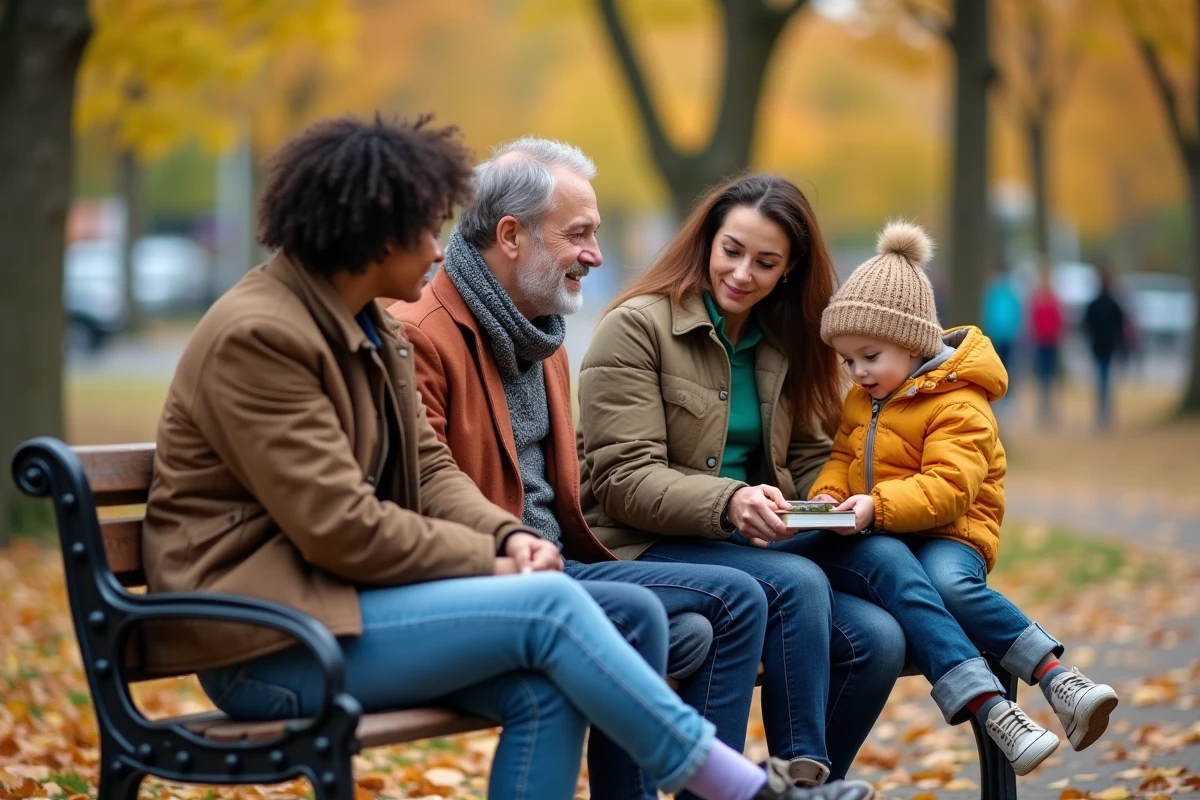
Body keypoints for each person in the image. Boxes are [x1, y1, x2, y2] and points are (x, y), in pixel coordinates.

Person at [139, 114, 873, 800]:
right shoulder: (264, 336)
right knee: (552, 610)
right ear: (372, 234)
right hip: (269, 639)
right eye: (427, 228)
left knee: (553, 677)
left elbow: (429, 469)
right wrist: (491, 561)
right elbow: (339, 523)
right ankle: (740, 787)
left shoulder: (366, 328)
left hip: (340, 611)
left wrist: (506, 537)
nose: (440, 247)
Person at [389, 138, 771, 800]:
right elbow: (423, 493)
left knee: (734, 604)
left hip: (563, 564)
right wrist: (513, 546)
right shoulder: (421, 333)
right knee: (674, 615)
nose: (595, 254)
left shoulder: (544, 338)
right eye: (578, 234)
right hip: (493, 579)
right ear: (511, 236)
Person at [577, 174, 908, 786]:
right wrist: (731, 501)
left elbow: (808, 456)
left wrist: (834, 498)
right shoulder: (637, 326)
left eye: (765, 262)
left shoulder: (785, 340)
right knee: (797, 582)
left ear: (789, 270)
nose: (742, 273)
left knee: (878, 639)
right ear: (708, 240)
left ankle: (805, 787)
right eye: (731, 251)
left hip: (747, 540)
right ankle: (794, 776)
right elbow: (623, 479)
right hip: (642, 540)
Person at [807, 221, 1119, 774]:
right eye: (848, 360)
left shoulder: (959, 403)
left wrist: (876, 506)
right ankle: (996, 714)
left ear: (911, 343)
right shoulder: (863, 399)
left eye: (869, 356)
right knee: (910, 580)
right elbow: (840, 457)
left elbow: (950, 489)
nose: (857, 372)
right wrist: (829, 495)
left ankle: (1057, 679)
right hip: (892, 532)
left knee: (946, 584)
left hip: (951, 532)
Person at [1082, 267, 1129, 429]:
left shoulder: (1095, 303)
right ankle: (1104, 409)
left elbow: (1086, 323)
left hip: (1099, 345)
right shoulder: (1112, 303)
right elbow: (1120, 324)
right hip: (1107, 345)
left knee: (1102, 378)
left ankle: (1103, 409)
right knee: (1104, 377)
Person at [980, 265, 1023, 414]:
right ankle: (997, 396)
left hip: (1008, 336)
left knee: (1008, 367)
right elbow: (988, 311)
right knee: (996, 366)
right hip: (996, 334)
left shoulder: (1009, 291)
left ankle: (1008, 398)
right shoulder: (993, 291)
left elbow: (1016, 312)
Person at [1028, 265, 1064, 425]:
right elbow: (1034, 319)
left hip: (1051, 341)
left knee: (1050, 373)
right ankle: (1043, 404)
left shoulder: (1053, 298)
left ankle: (1050, 404)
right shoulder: (1037, 298)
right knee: (1042, 374)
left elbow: (1058, 319)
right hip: (1040, 341)